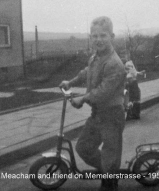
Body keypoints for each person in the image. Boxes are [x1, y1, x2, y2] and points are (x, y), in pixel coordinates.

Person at [59, 16, 126, 191]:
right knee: (84, 147)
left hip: (112, 115)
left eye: (103, 35)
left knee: (110, 154)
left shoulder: (114, 63)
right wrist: (71, 82)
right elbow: (87, 71)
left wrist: (83, 98)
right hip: (97, 114)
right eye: (94, 36)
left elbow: (103, 91)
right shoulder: (96, 57)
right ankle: (107, 171)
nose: (98, 40)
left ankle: (110, 182)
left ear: (112, 36)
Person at [119, 50, 145, 120]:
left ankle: (132, 114)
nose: (125, 56)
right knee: (133, 98)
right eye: (123, 55)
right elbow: (131, 73)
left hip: (130, 82)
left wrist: (139, 73)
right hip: (131, 82)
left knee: (131, 98)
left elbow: (132, 72)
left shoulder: (128, 63)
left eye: (126, 54)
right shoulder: (127, 63)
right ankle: (133, 114)